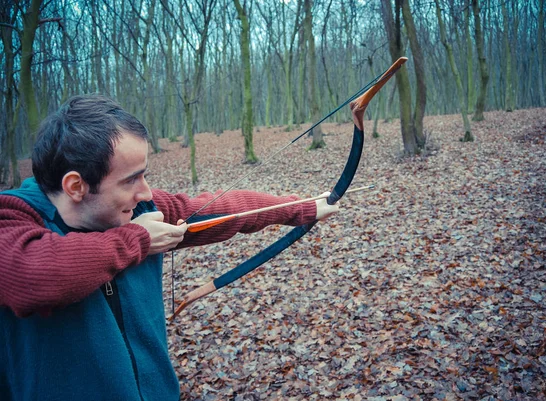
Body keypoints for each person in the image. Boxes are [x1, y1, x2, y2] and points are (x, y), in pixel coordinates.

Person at [0, 94, 340, 400]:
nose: (146, 193)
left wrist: (303, 208)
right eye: (131, 179)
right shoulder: (13, 219)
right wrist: (138, 239)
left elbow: (221, 209)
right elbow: (36, 276)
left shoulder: (141, 210)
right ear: (75, 186)